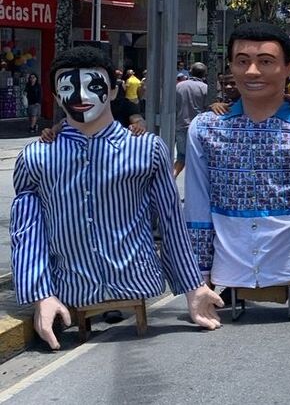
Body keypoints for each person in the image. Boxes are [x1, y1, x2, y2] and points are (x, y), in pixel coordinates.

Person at [10, 47, 221, 350]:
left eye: (92, 85)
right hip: (72, 286)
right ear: (56, 95)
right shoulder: (35, 158)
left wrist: (193, 286)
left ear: (112, 90)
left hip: (138, 278)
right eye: (67, 87)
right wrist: (41, 294)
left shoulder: (147, 150)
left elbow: (171, 220)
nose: (79, 95)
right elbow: (28, 233)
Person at [185, 24, 290, 296]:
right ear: (231, 65)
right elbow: (197, 205)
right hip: (228, 262)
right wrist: (199, 277)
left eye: (266, 62)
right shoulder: (205, 128)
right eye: (242, 61)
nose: (252, 72)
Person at [174, 62, 209, 176]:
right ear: (204, 74)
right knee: (199, 158)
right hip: (199, 128)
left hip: (180, 124)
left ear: (190, 71)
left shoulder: (179, 86)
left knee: (181, 157)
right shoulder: (205, 88)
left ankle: (172, 178)